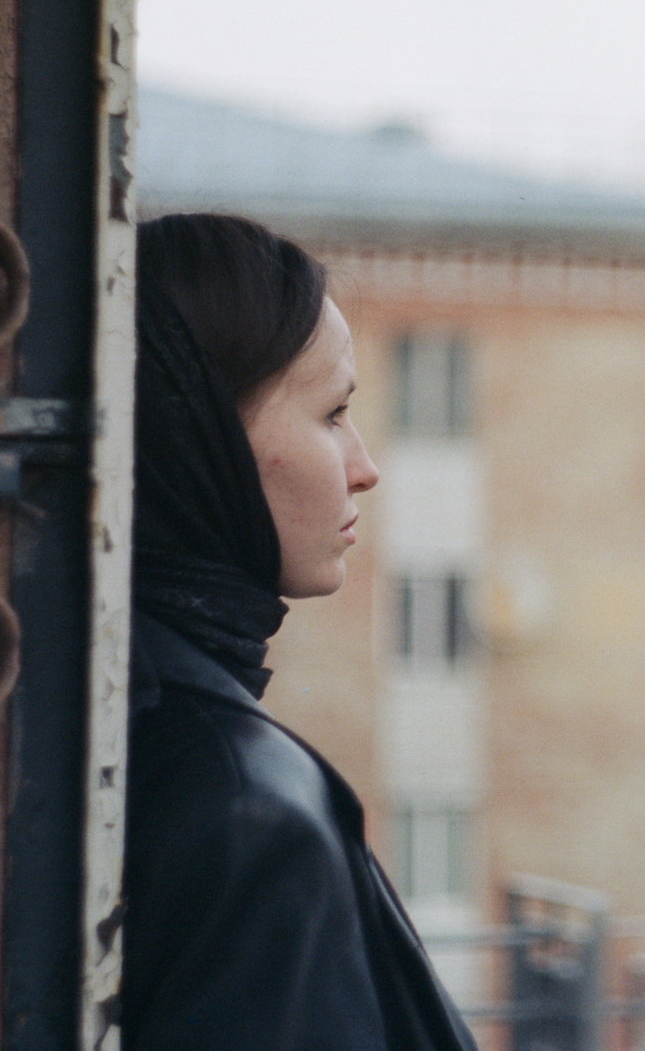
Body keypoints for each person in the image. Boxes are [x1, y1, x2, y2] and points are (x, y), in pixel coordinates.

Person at [121, 212, 479, 1051]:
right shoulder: (238, 803)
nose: (365, 465)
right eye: (331, 414)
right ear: (198, 432)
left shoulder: (123, 714)